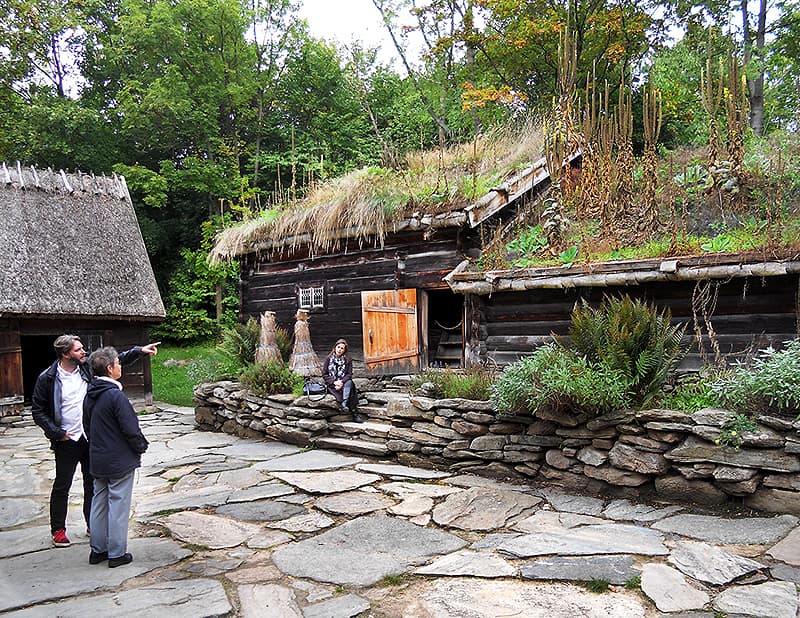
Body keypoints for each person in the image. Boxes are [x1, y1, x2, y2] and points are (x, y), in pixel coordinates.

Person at [31, 335, 159, 547]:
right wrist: (56, 432)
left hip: (90, 436)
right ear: (65, 354)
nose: (83, 352)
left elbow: (114, 361)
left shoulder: (86, 368)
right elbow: (38, 411)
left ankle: (93, 524)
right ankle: (59, 530)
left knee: (93, 483)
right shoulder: (48, 378)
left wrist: (140, 350)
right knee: (63, 484)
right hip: (67, 438)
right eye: (78, 350)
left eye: (82, 349)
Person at [83, 346, 149, 568]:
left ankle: (98, 550)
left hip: (98, 457)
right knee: (118, 504)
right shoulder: (115, 395)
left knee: (99, 503)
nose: (120, 366)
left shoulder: (90, 394)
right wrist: (140, 446)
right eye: (118, 364)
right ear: (110, 369)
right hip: (118, 460)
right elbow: (130, 428)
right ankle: (117, 553)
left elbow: (86, 426)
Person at [322, 338, 363, 423]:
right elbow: (324, 374)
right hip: (332, 385)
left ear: (344, 350)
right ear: (335, 347)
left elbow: (349, 374)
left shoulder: (348, 359)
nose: (340, 350)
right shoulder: (328, 359)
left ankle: (344, 403)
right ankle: (355, 414)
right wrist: (334, 382)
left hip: (344, 383)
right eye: (338, 347)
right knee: (351, 390)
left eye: (342, 348)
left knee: (350, 383)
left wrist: (341, 382)